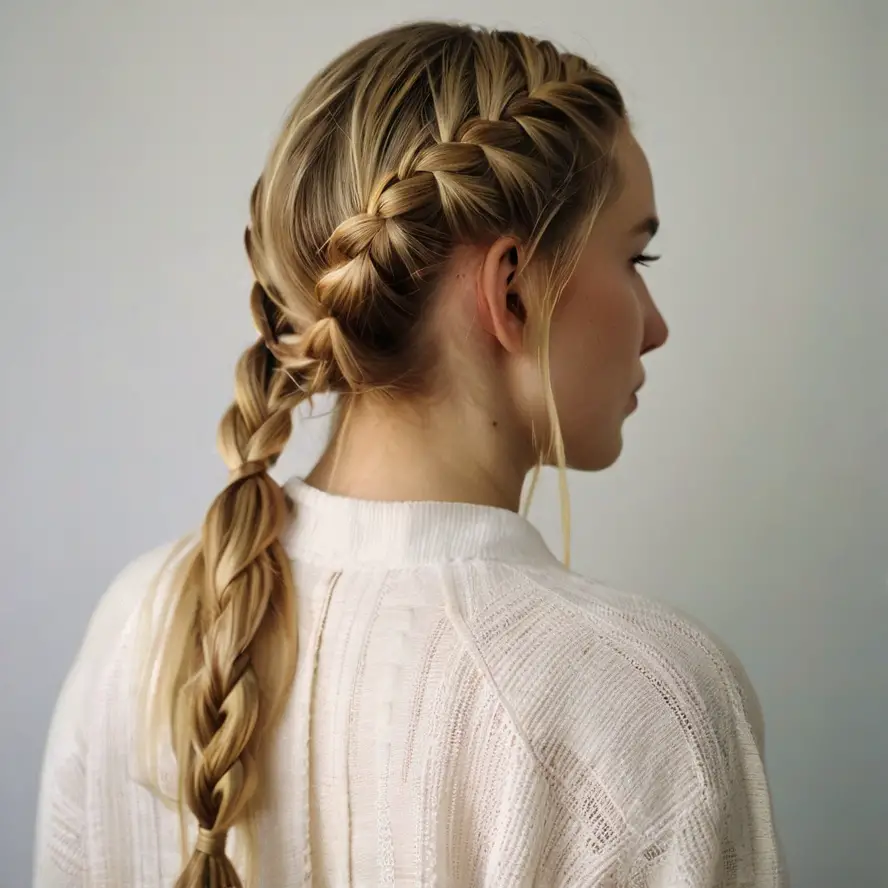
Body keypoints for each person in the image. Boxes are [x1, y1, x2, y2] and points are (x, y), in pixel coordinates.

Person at [34, 21, 785, 888]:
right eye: (635, 255)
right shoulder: (645, 702)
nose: (655, 327)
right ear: (512, 288)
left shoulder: (139, 623)